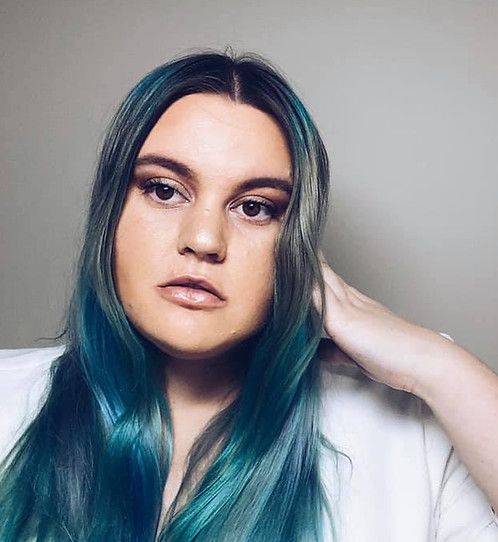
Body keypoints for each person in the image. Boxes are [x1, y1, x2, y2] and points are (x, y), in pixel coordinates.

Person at [0, 47, 496, 541]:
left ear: (294, 243)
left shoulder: (418, 435)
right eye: (165, 190)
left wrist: (438, 363)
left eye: (255, 208)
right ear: (110, 213)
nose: (205, 240)